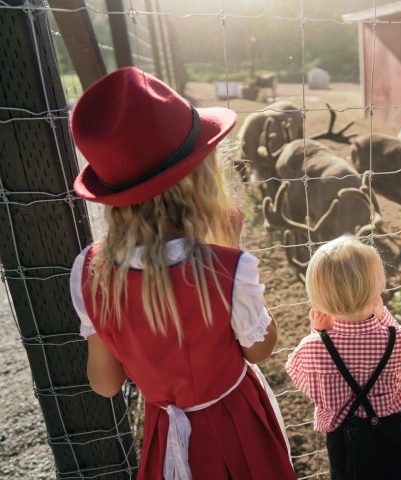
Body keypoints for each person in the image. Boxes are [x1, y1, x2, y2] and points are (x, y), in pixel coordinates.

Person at [68, 67, 295, 479]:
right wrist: (231, 249)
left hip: (165, 435)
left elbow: (104, 383)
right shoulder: (228, 268)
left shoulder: (90, 270)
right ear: (198, 182)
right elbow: (258, 350)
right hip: (237, 428)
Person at [285, 236, 401, 480]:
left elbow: (306, 381)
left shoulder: (313, 348)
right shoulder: (399, 338)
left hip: (344, 440)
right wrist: (383, 316)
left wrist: (319, 334)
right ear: (378, 286)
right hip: (390, 431)